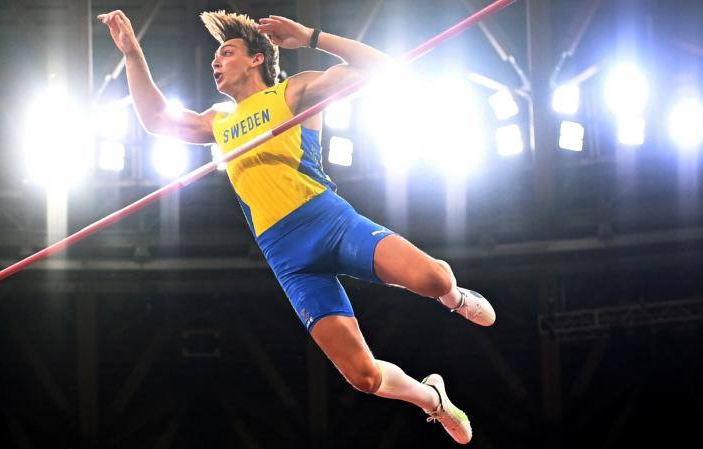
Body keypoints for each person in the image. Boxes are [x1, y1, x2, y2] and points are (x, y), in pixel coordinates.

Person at [97, 9, 496, 444]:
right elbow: (157, 120)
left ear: (256, 60)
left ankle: (456, 297)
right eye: (216, 56)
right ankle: (432, 399)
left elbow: (383, 69)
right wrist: (133, 54)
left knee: (434, 279)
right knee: (362, 376)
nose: (215, 62)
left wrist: (311, 36)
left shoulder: (296, 92)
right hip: (288, 258)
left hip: (330, 222)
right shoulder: (219, 121)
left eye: (226, 52)